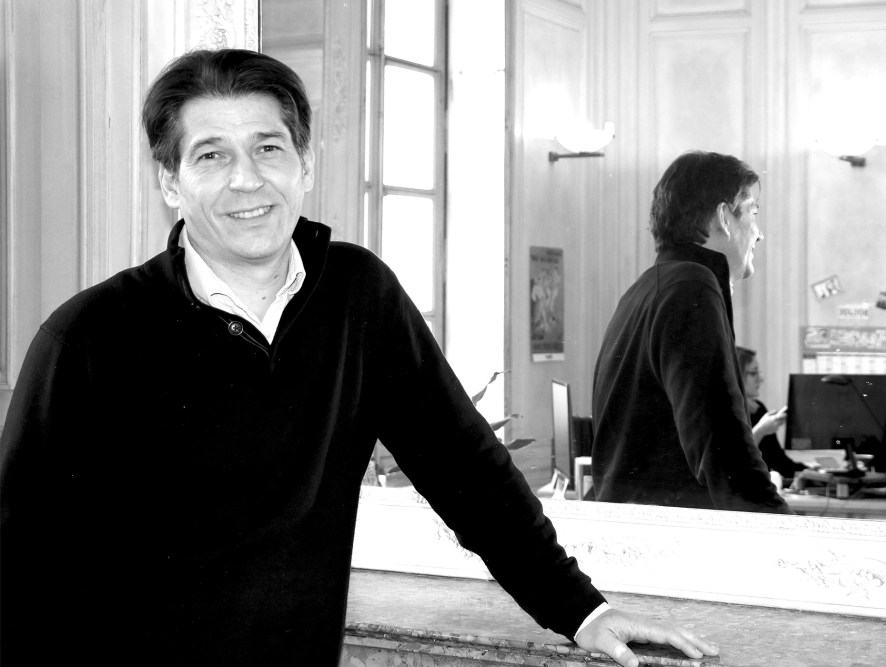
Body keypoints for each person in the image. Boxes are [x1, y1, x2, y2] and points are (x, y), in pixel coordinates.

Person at [0, 49, 719, 666]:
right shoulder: (89, 338)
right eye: (211, 155)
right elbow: (22, 567)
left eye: (269, 148)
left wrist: (581, 610)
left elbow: (466, 470)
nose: (247, 179)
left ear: (305, 164)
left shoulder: (358, 296)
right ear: (169, 181)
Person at [591, 150, 791, 514]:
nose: (759, 234)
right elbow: (724, 449)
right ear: (724, 218)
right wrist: (785, 531)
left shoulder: (645, 288)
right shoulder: (692, 286)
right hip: (670, 535)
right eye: (753, 213)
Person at [736, 346, 807, 481]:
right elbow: (734, 461)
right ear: (737, 376)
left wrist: (812, 473)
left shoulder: (758, 409)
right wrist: (761, 430)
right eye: (753, 373)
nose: (760, 379)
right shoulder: (722, 413)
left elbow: (778, 461)